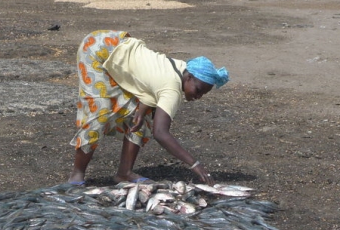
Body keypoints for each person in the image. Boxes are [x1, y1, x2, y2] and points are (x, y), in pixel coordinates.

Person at [68, 30, 229, 186]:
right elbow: (160, 133)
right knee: (99, 112)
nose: (198, 96)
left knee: (142, 116)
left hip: (119, 47)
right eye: (198, 90)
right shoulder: (172, 88)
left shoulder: (183, 67)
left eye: (203, 94)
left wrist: (143, 108)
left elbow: (150, 82)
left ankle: (124, 173)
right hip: (98, 48)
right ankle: (77, 174)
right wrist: (194, 164)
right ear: (189, 77)